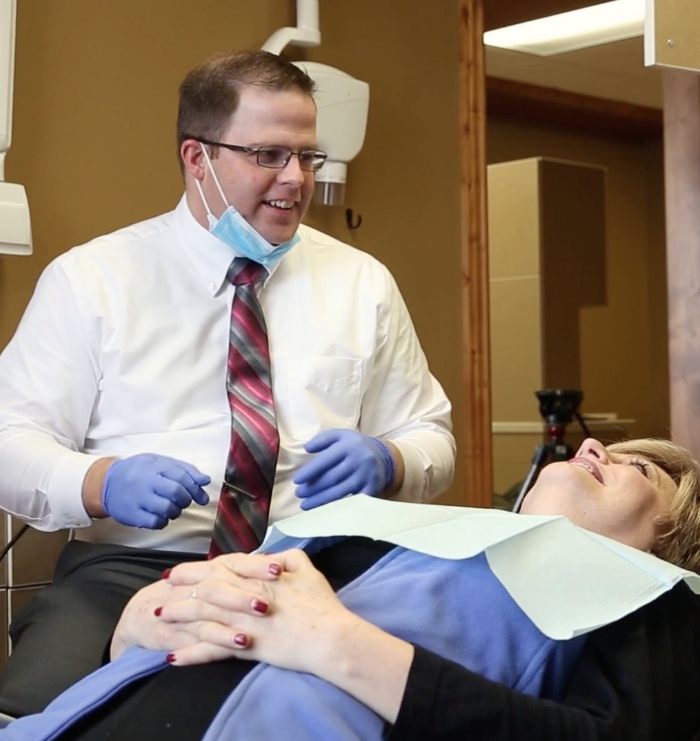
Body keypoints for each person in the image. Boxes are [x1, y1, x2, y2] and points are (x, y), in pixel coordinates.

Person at [0, 50, 455, 715]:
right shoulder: (91, 279)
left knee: (438, 696)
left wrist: (391, 460)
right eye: (268, 155)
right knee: (41, 710)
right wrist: (101, 482)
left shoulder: (363, 284)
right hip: (137, 567)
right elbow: (9, 440)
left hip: (317, 563)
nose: (296, 179)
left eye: (308, 156)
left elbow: (430, 437)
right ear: (197, 157)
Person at [1, 436, 699, 740]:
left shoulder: (654, 597)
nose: (591, 447)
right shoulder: (418, 530)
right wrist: (132, 628)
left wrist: (336, 644)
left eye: (638, 464)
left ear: (673, 532)